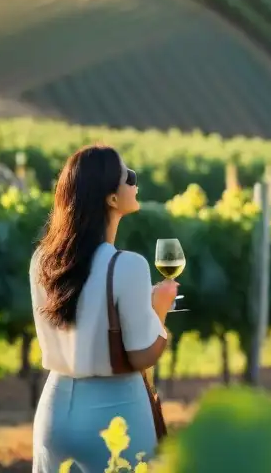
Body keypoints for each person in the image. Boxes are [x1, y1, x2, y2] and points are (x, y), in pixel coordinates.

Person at [30, 145, 178, 472]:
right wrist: (160, 311)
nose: (135, 184)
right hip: (114, 414)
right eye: (130, 177)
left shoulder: (42, 261)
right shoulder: (128, 266)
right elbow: (142, 355)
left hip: (54, 411)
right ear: (111, 198)